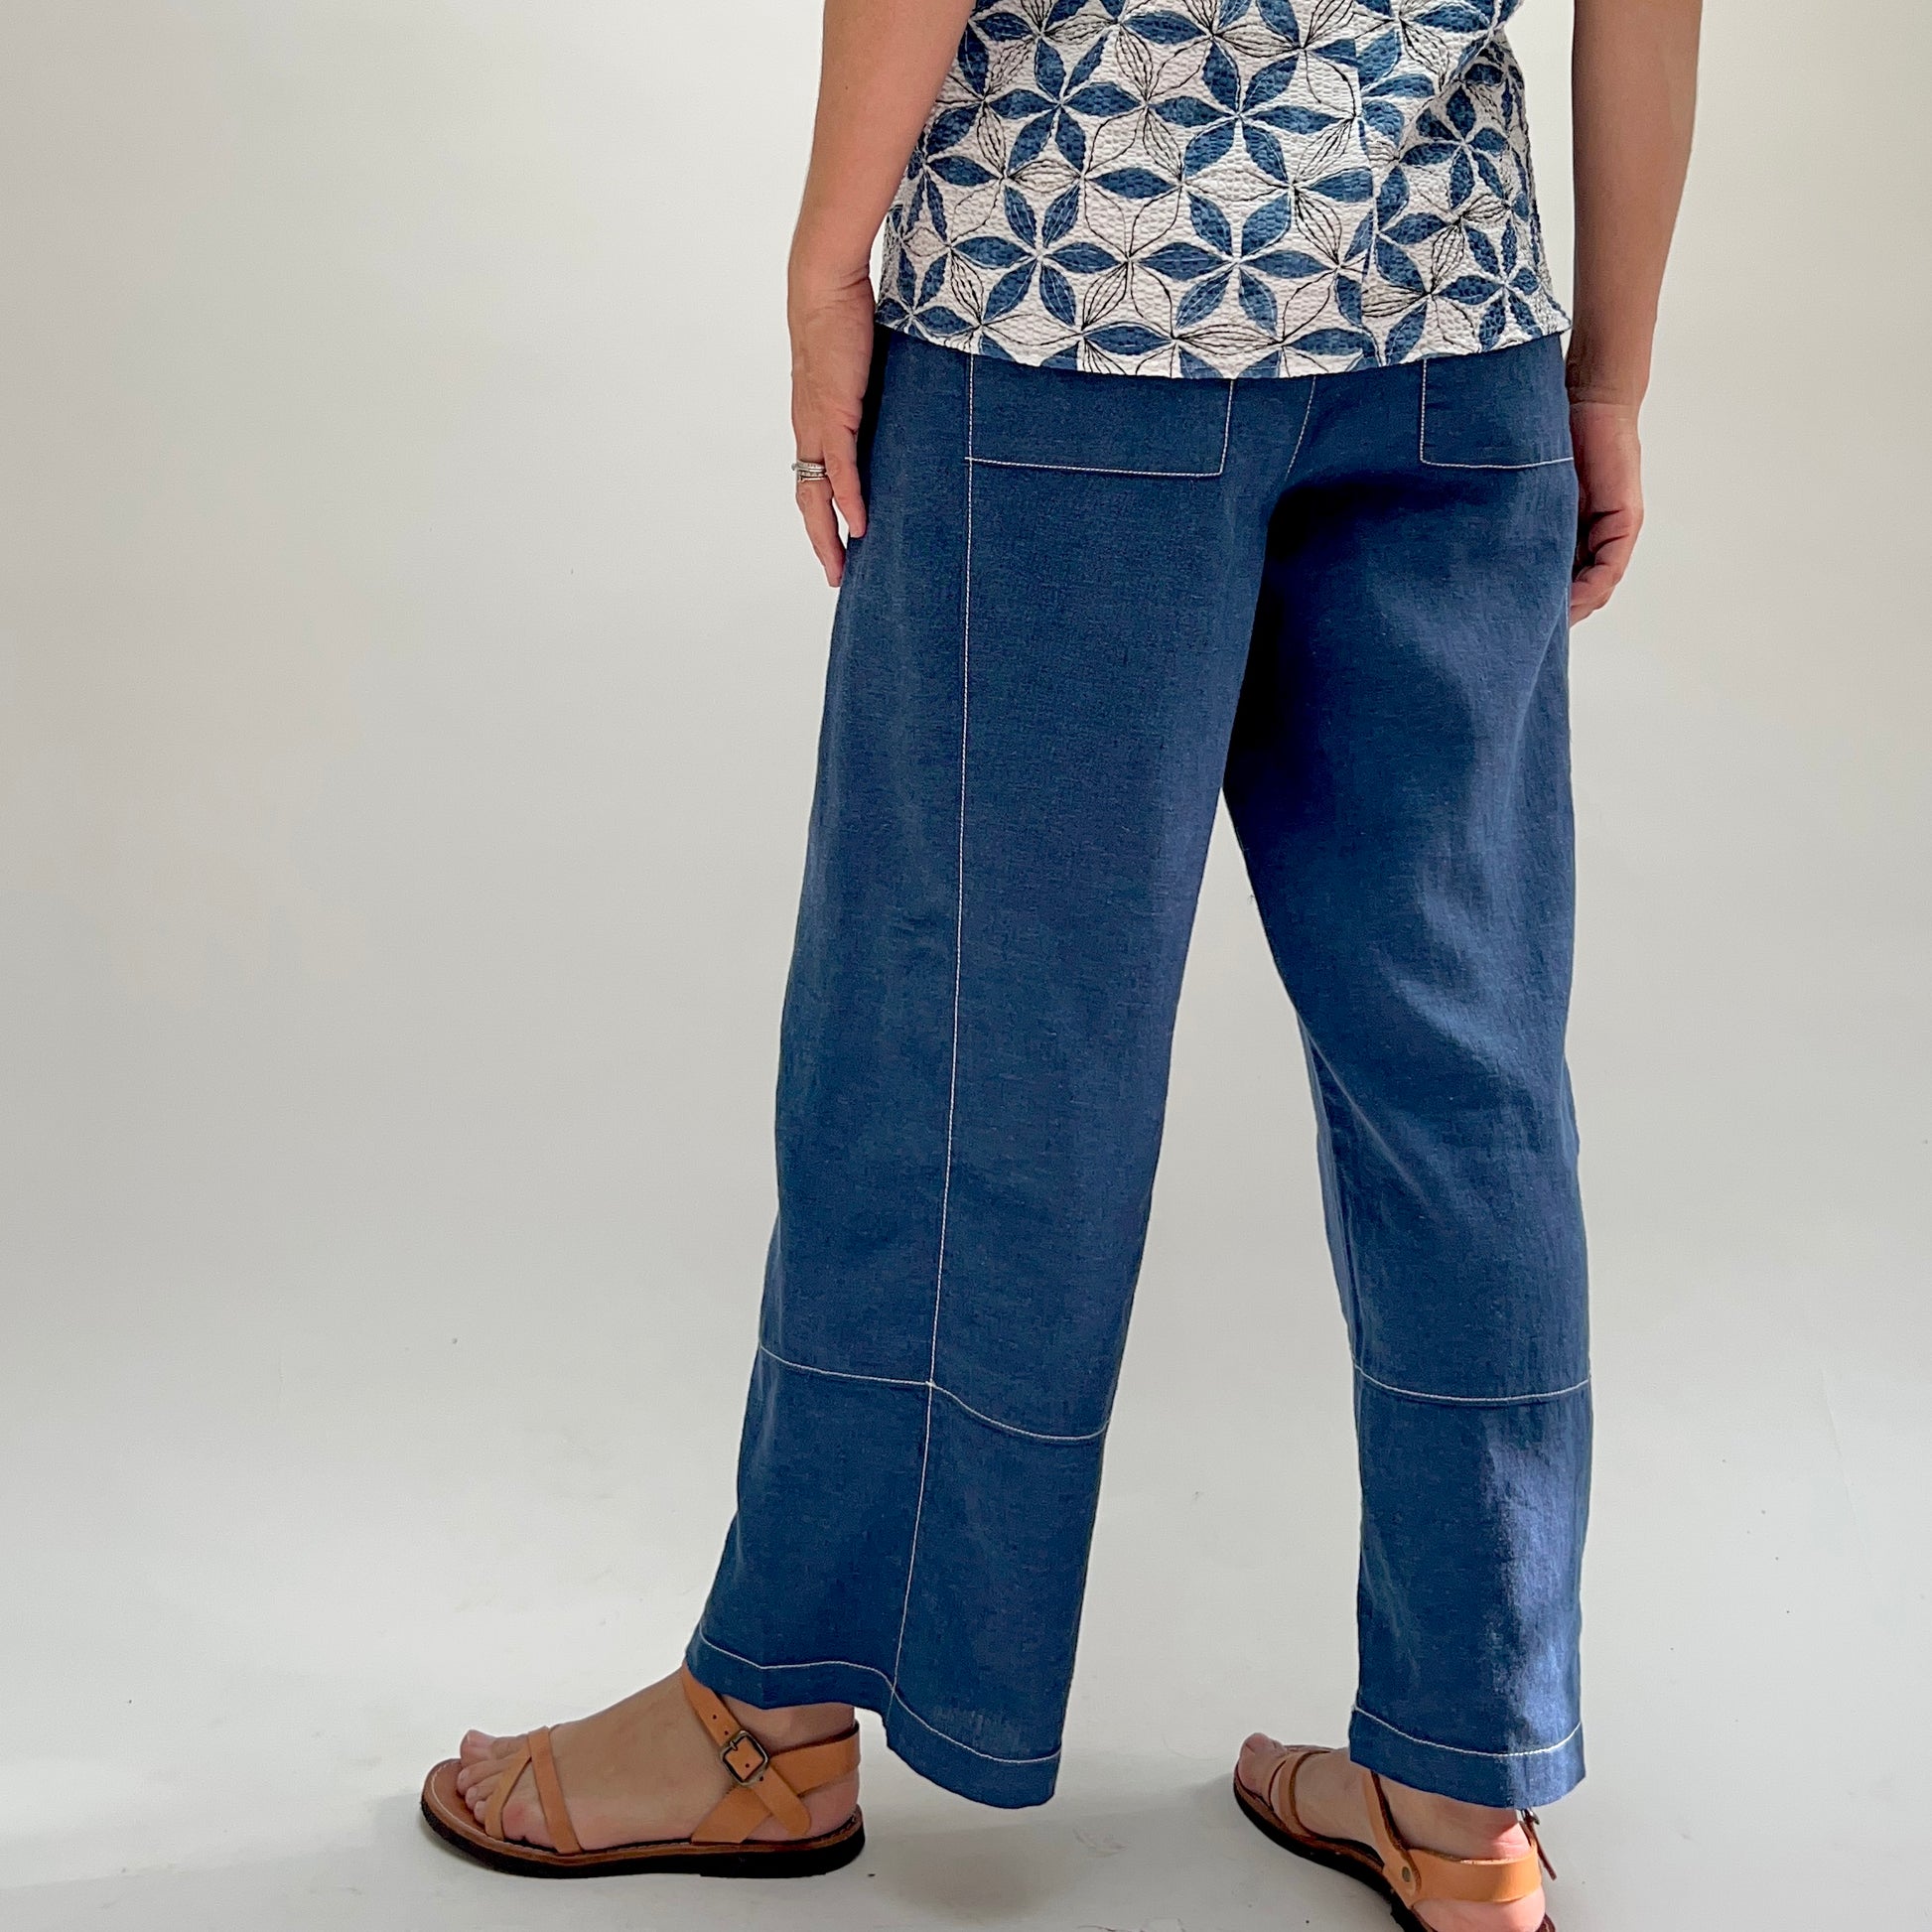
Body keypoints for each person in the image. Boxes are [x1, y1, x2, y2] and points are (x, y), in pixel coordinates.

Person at [420, 2, 1700, 1925]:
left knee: (962, 1039)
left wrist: (821, 266)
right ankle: (1464, 1786)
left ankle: (770, 1721)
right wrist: (1608, 365)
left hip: (1073, 297)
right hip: (1452, 333)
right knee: (1463, 1069)